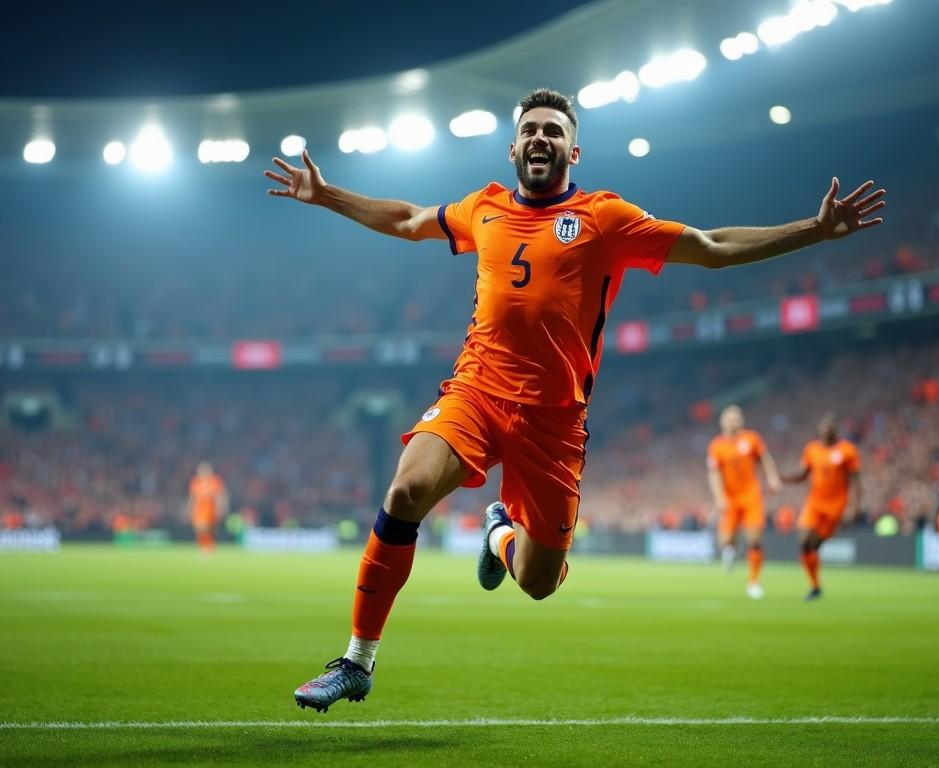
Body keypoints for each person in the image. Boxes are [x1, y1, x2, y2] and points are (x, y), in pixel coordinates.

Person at [264, 88, 885, 711]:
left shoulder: (604, 218)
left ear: (573, 149)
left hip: (554, 426)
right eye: (530, 129)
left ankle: (501, 533)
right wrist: (326, 194)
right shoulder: (483, 208)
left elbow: (712, 247)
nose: (540, 138)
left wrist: (816, 230)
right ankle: (357, 661)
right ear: (512, 148)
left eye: (552, 131)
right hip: (476, 392)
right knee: (404, 492)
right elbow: (406, 220)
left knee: (538, 582)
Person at [783, 414, 862, 600]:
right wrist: (784, 478)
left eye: (829, 430)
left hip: (835, 506)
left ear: (835, 431)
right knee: (803, 542)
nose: (826, 433)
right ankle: (814, 585)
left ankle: (815, 584)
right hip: (814, 504)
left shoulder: (847, 451)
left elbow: (856, 480)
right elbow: (803, 475)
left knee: (814, 545)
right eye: (822, 430)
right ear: (819, 432)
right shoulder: (811, 450)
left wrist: (854, 506)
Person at [706, 405, 781, 599]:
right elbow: (714, 474)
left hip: (751, 496)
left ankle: (753, 582)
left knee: (754, 539)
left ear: (741, 421)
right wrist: (719, 497)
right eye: (729, 419)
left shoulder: (751, 439)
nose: (733, 422)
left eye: (736, 418)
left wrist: (772, 477)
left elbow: (764, 458)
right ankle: (730, 550)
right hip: (730, 499)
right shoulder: (716, 446)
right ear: (722, 422)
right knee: (725, 540)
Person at [187, 461, 228, 557]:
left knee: (209, 528)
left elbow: (220, 495)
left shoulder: (215, 481)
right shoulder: (196, 482)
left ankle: (209, 547)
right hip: (199, 509)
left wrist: (221, 506)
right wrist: (189, 508)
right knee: (200, 528)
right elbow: (193, 497)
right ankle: (204, 546)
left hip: (210, 508)